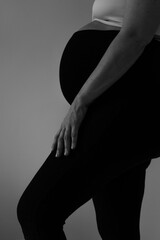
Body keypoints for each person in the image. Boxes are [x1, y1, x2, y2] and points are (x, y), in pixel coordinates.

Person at [16, 0, 160, 239]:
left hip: (133, 99)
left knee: (37, 212)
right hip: (125, 102)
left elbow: (137, 35)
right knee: (117, 228)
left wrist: (81, 102)